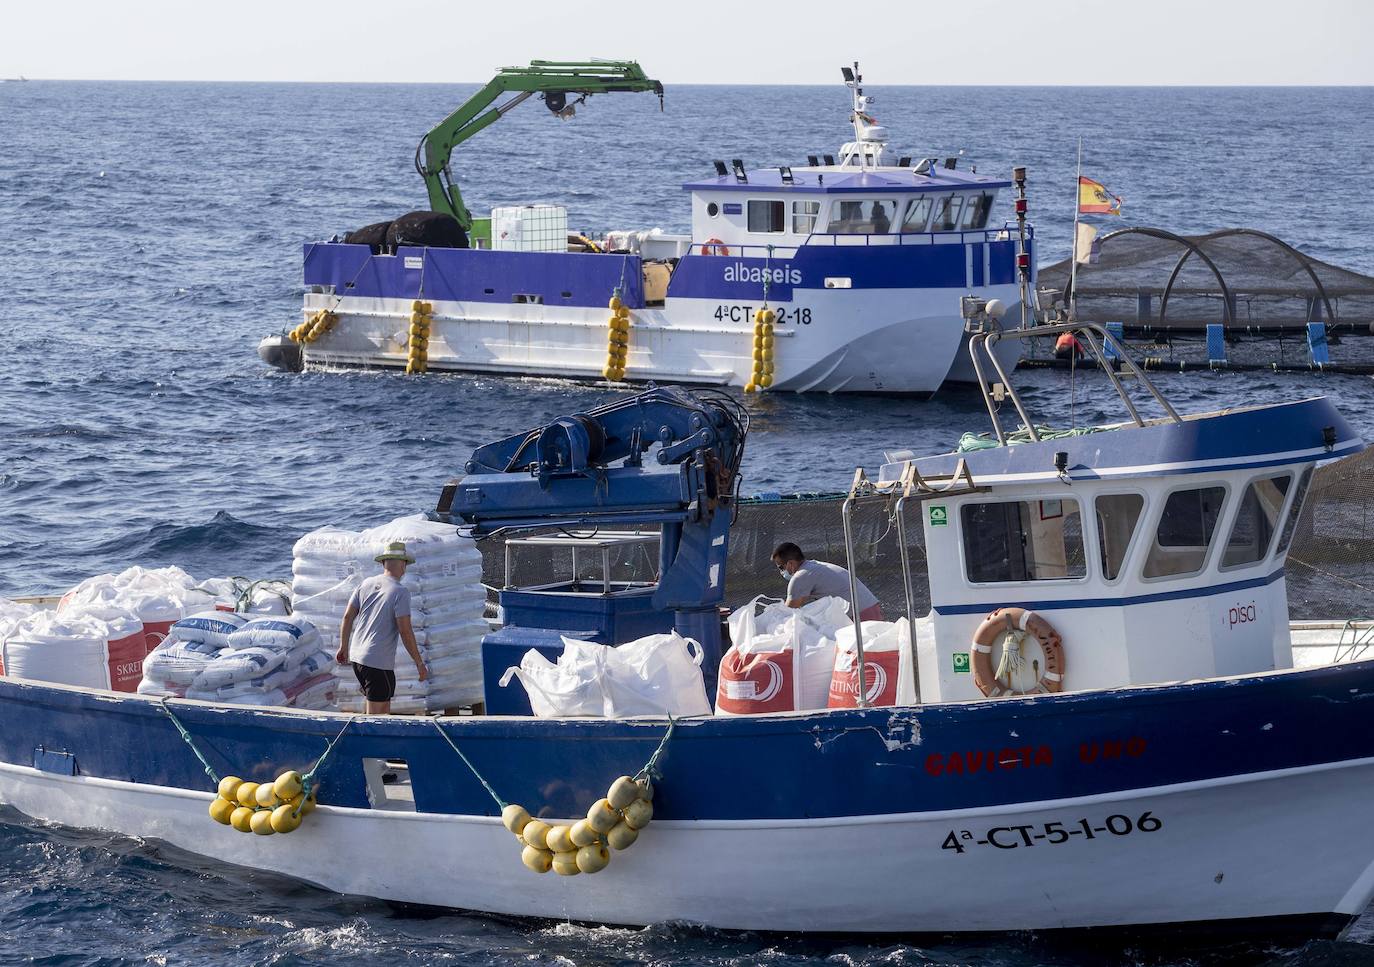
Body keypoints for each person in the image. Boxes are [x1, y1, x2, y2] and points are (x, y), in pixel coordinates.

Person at [335, 540, 427, 714]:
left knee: (378, 708)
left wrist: (343, 646)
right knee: (377, 716)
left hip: (357, 657)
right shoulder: (400, 591)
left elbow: (347, 616)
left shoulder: (365, 584)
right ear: (403, 565)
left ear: (384, 563)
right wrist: (419, 663)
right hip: (377, 662)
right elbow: (405, 630)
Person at [771, 542, 883, 620]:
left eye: (781, 567)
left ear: (790, 563)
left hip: (859, 616)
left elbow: (788, 612)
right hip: (871, 608)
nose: (781, 572)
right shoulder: (814, 567)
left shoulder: (800, 577)